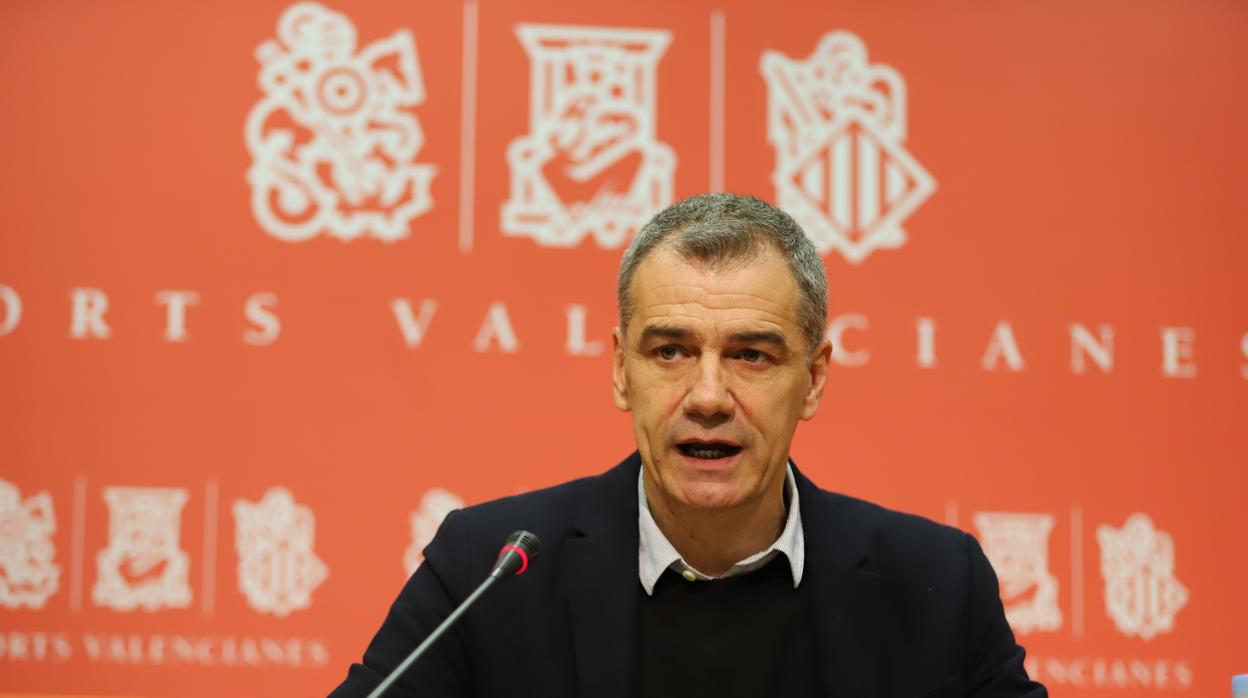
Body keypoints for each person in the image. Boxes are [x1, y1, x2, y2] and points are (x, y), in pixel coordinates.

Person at [329, 193, 1047, 697]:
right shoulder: (488, 573)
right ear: (621, 370)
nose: (707, 397)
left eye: (751, 355)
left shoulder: (935, 584)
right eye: (670, 351)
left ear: (813, 379)